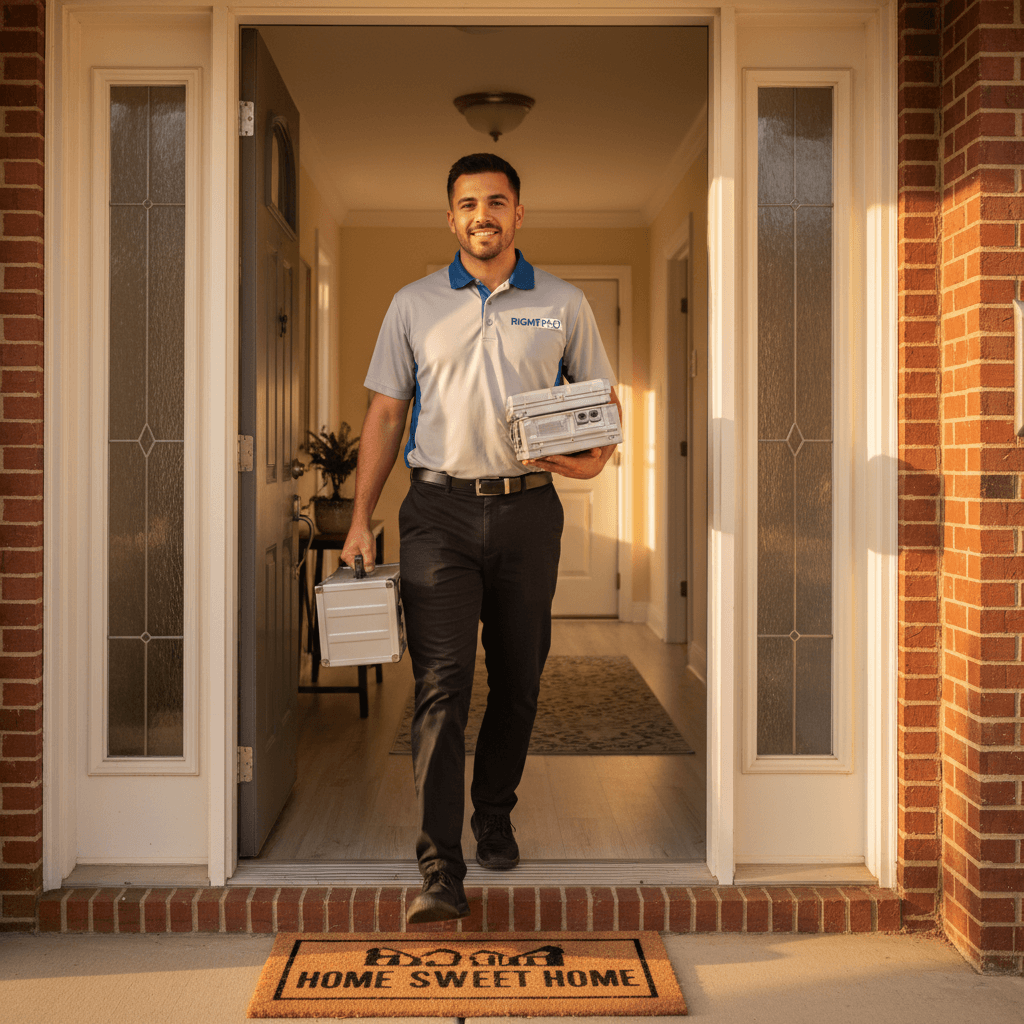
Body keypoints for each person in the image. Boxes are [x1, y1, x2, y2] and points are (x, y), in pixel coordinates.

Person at [340, 153, 620, 924]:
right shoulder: (413, 304)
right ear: (451, 217)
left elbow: (603, 430)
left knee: (521, 679)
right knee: (441, 688)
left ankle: (493, 810)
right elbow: (387, 417)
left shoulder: (563, 304)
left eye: (496, 202)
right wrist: (362, 519)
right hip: (437, 515)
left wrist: (573, 459)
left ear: (519, 214)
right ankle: (440, 868)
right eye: (468, 204)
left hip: (530, 513)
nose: (482, 215)